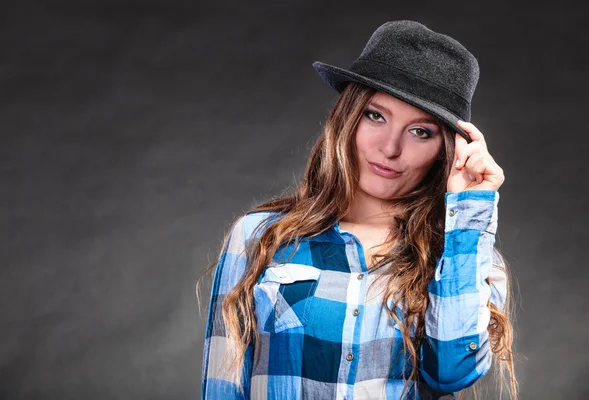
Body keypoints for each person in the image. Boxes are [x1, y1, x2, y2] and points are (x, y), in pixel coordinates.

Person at [198, 20, 518, 400]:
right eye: (375, 116)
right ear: (348, 117)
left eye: (421, 132)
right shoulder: (258, 237)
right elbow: (222, 387)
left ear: (447, 149)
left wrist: (469, 209)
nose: (390, 147)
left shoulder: (468, 258)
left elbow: (452, 371)